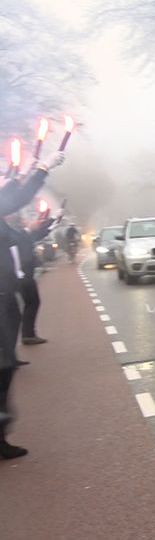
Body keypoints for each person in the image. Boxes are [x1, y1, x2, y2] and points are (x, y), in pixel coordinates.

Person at [0, 152, 61, 460]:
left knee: (6, 362)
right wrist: (41, 168)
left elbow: (17, 225)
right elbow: (13, 199)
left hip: (6, 293)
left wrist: (46, 221)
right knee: (3, 364)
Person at [6, 212, 54, 348]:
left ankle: (28, 334)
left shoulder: (20, 234)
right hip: (23, 276)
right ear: (20, 222)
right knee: (32, 302)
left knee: (31, 303)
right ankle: (27, 335)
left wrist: (53, 219)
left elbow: (41, 232)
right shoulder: (17, 235)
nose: (28, 221)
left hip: (24, 275)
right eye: (25, 219)